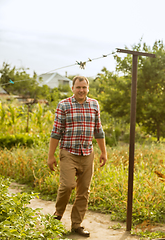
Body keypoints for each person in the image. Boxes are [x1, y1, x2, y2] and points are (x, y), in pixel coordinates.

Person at [47, 75, 107, 237]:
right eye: (78, 87)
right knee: (67, 185)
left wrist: (103, 152)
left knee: (83, 191)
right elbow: (56, 131)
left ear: (88, 88)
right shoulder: (64, 105)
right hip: (68, 151)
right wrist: (51, 156)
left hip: (87, 152)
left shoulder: (94, 104)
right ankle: (58, 215)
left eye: (84, 87)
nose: (81, 90)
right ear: (72, 88)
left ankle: (76, 224)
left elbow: (98, 130)